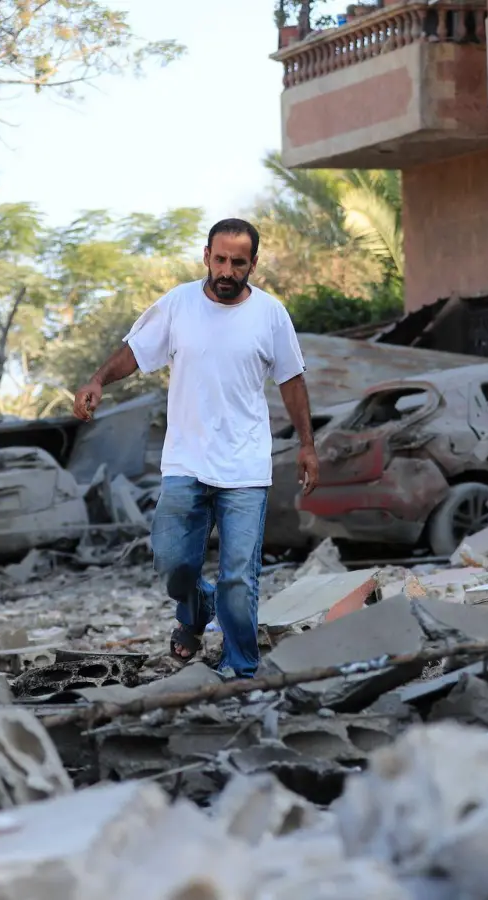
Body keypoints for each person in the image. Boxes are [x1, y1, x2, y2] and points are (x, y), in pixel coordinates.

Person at [72, 218, 319, 679]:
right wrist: (97, 380)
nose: (227, 271)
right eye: (220, 259)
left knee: (239, 578)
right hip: (186, 461)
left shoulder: (270, 315)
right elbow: (135, 350)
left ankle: (240, 668)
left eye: (238, 263)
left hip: (245, 466)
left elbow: (292, 380)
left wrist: (307, 445)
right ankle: (195, 607)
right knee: (172, 562)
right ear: (206, 256)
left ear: (253, 264)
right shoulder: (179, 304)